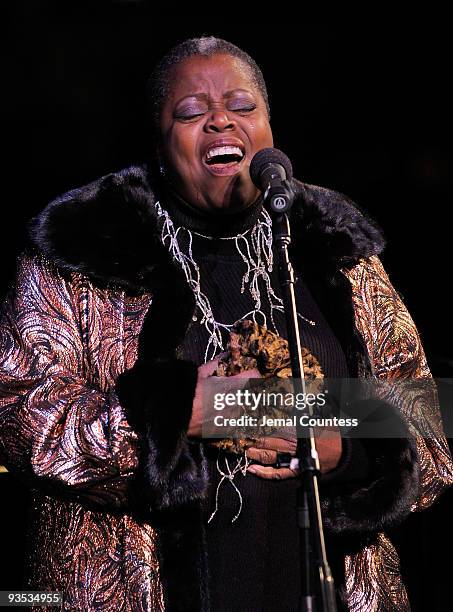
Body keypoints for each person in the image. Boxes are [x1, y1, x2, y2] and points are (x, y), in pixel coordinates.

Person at [0, 36, 452, 612]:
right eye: (190, 112)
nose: (219, 120)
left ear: (269, 129)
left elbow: (428, 416)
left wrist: (354, 450)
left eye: (242, 107)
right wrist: (171, 419)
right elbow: (18, 411)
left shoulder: (332, 248)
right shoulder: (85, 246)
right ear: (160, 143)